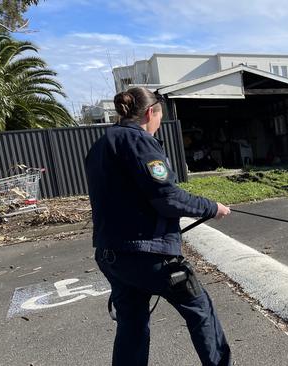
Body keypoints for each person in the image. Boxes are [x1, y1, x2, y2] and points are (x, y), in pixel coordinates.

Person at [85, 87, 232, 366]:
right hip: (149, 257)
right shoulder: (139, 142)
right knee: (200, 309)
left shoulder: (100, 146)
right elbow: (168, 197)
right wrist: (212, 207)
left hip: (111, 255)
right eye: (159, 118)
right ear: (151, 112)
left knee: (132, 325)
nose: (158, 125)